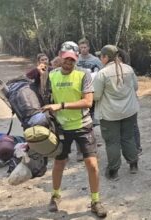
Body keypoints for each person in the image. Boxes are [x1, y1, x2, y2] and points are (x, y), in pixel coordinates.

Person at [42, 46, 107, 218]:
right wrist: (37, 71)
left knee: (92, 165)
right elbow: (39, 90)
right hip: (61, 127)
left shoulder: (83, 74)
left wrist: (61, 105)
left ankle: (95, 201)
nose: (69, 62)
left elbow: (88, 102)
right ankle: (55, 196)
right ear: (60, 57)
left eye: (72, 59)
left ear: (76, 59)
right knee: (59, 164)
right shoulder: (52, 74)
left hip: (83, 126)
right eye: (66, 58)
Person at [93, 45, 139, 180]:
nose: (100, 59)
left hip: (109, 114)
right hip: (129, 111)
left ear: (106, 57)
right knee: (128, 137)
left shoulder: (102, 74)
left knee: (112, 142)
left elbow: (96, 96)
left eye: (101, 56)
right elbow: (135, 87)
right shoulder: (128, 69)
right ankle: (133, 164)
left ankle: (113, 171)